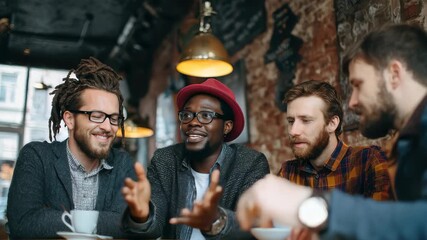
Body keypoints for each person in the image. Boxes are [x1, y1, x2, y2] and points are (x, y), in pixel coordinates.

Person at [236, 23, 427, 240]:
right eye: (291, 121)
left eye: (358, 84)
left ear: (394, 74)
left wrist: (310, 206)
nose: (352, 102)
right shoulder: (409, 145)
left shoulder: (374, 159)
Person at [121, 78, 270, 239]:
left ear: (227, 126)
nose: (192, 122)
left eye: (205, 115)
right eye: (187, 115)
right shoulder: (165, 160)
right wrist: (142, 216)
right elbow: (154, 228)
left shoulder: (249, 164)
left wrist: (216, 220)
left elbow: (254, 227)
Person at [7, 57, 136, 239]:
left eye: (114, 118)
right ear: (69, 119)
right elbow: (24, 223)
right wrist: (102, 222)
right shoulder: (37, 156)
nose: (108, 127)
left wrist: (53, 217)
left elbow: (127, 227)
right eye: (96, 115)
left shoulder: (122, 164)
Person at [280, 80, 391, 200]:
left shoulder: (369, 161)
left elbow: (383, 217)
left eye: (306, 120)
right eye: (291, 121)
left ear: (332, 123)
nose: (293, 131)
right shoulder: (288, 172)